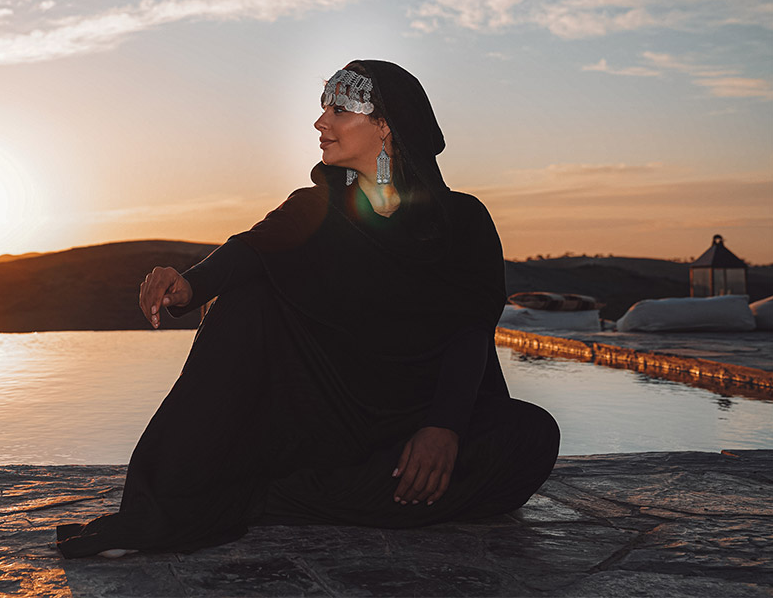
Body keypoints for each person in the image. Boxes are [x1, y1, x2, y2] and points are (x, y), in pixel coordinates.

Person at [56, 60, 559, 558]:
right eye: (323, 109)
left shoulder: (463, 220)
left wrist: (444, 427)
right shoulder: (313, 207)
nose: (321, 123)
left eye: (339, 110)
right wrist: (188, 285)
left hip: (420, 414)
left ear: (385, 125)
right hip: (335, 418)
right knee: (250, 296)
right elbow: (249, 249)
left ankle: (273, 496)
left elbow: (470, 330)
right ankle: (202, 497)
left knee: (530, 437)